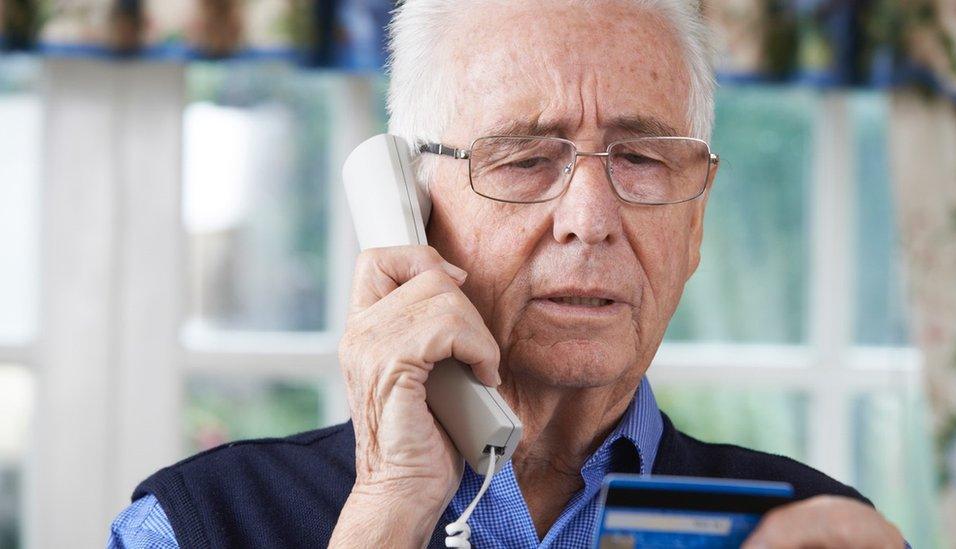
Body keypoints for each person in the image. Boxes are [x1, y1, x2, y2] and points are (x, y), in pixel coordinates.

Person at [108, 0, 906, 547]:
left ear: (694, 224)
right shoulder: (196, 523)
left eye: (641, 158)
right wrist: (387, 510)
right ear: (411, 209)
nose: (589, 218)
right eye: (525, 158)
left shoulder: (815, 528)